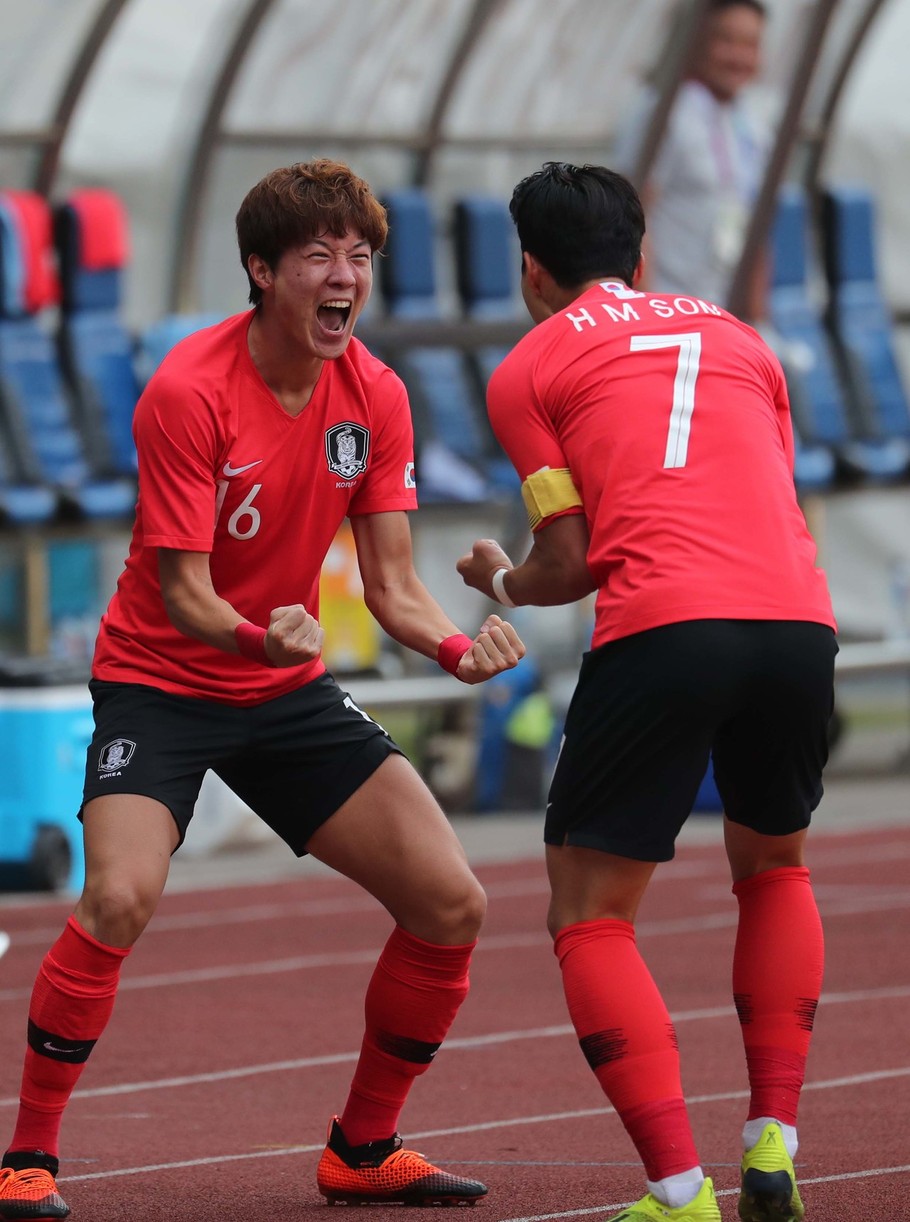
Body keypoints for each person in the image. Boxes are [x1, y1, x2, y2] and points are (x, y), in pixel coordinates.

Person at [0, 159, 524, 1222]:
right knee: (119, 898)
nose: (346, 277)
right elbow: (180, 590)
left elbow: (391, 584)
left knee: (450, 902)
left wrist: (453, 650)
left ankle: (362, 1148)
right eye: (320, 256)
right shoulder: (188, 392)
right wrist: (259, 630)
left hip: (280, 686)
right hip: (162, 681)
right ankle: (26, 1158)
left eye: (360, 257)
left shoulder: (374, 392)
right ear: (261, 271)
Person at [457, 162, 836, 1222]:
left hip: (667, 624)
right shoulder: (745, 341)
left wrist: (496, 579)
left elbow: (569, 561)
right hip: (799, 618)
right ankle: (774, 1141)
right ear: (643, 255)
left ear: (530, 270)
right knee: (774, 868)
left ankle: (678, 1190)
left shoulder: (529, 366)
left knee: (589, 911)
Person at [612, 0, 772, 319]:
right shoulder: (662, 114)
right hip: (673, 312)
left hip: (724, 316)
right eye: (725, 41)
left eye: (750, 45)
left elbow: (755, 225)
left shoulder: (750, 123)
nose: (739, 57)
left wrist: (758, 322)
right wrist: (649, 317)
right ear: (695, 40)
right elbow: (633, 218)